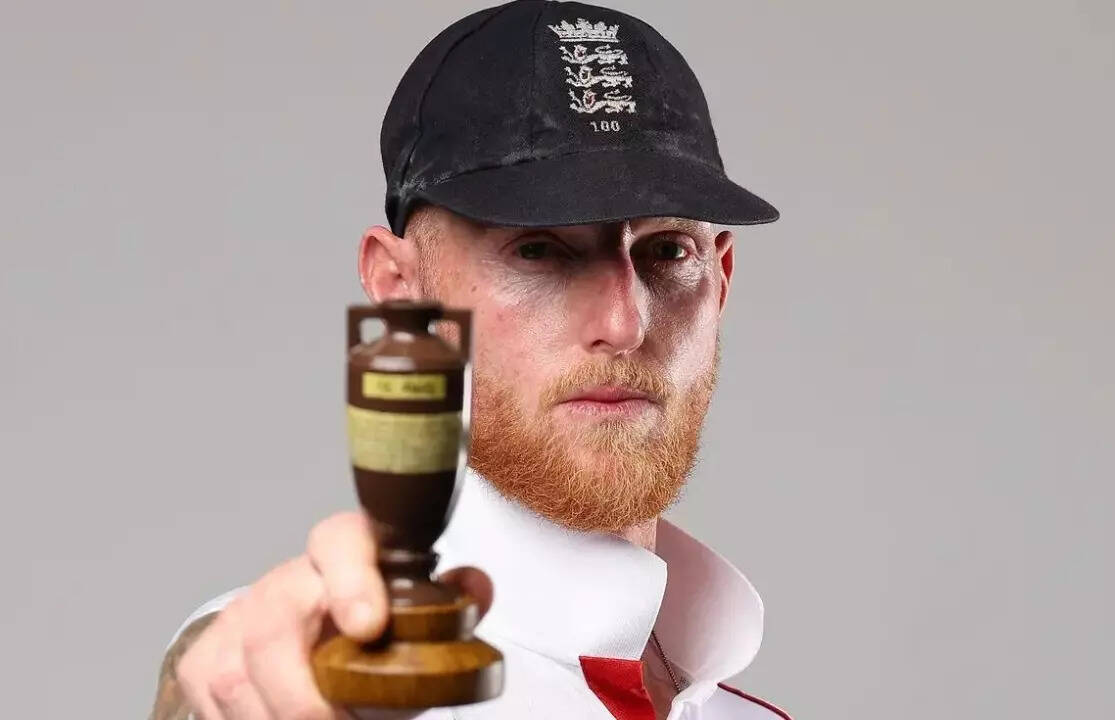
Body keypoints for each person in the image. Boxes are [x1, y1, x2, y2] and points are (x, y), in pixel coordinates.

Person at [150, 1, 787, 718]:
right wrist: (198, 683)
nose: (623, 322)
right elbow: (222, 668)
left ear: (721, 278)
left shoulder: (746, 711)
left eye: (668, 251)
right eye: (539, 250)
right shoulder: (335, 679)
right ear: (401, 292)